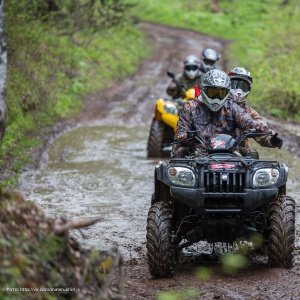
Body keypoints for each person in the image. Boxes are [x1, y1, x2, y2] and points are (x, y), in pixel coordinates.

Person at [171, 69, 282, 158]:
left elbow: (249, 122)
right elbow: (182, 129)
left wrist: (269, 134)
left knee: (252, 156)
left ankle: (248, 185)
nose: (217, 97)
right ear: (204, 90)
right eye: (213, 92)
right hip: (198, 152)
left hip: (231, 152)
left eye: (221, 92)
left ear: (227, 92)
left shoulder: (232, 106)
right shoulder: (190, 107)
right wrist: (183, 134)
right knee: (179, 153)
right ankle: (176, 182)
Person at [227, 67, 283, 158]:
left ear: (249, 90)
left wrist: (272, 140)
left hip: (240, 152)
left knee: (252, 154)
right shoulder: (216, 106)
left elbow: (261, 130)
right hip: (214, 148)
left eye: (243, 87)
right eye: (235, 85)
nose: (239, 91)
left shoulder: (250, 112)